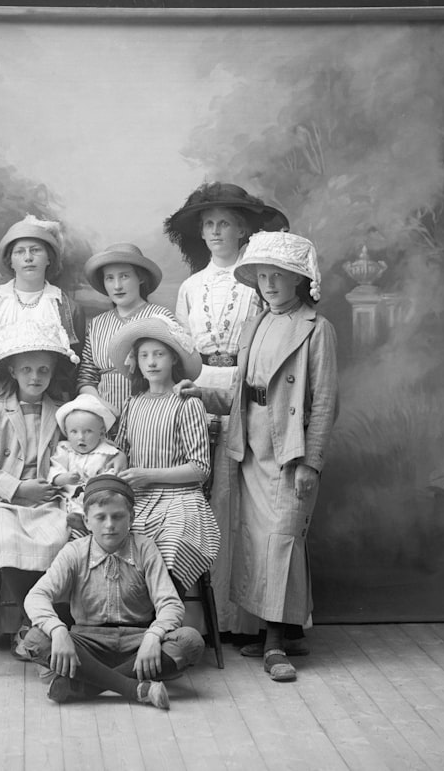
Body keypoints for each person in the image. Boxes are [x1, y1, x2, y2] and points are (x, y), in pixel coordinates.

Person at [176, 231, 338, 682]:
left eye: (279, 276)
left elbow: (325, 402)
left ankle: (275, 644)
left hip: (290, 447)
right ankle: (286, 632)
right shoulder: (257, 324)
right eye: (263, 276)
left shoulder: (316, 328)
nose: (269, 284)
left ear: (298, 279)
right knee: (255, 539)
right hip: (251, 445)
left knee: (282, 538)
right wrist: (203, 394)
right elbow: (242, 393)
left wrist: (311, 462)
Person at [164, 181, 289, 641]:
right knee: (206, 497)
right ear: (200, 232)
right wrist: (191, 391)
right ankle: (204, 619)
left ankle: (248, 617)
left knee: (245, 499)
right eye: (209, 224)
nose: (216, 231)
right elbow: (183, 348)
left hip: (248, 385)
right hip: (200, 387)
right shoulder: (191, 287)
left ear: (242, 230)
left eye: (225, 223)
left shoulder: (258, 281)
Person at [21, 474, 205, 709]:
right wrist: (57, 630)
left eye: (118, 516)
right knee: (35, 639)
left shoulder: (144, 548)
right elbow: (37, 596)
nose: (109, 525)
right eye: (101, 517)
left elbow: (170, 602)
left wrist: (154, 635)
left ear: (131, 518)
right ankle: (133, 687)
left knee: (190, 641)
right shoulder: (74, 552)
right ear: (87, 521)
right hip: (86, 644)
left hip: (137, 643)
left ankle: (84, 684)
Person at [0, 319, 81, 637]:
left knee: (63, 534)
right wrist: (19, 488)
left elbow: (69, 458)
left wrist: (56, 484)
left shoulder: (61, 413)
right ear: (12, 371)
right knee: (4, 536)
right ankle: (35, 620)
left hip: (47, 498)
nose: (35, 377)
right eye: (27, 370)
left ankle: (47, 621)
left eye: (43, 370)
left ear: (52, 372)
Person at [107, 317, 220, 597]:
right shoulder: (133, 404)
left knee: (171, 548)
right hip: (139, 499)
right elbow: (123, 450)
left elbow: (200, 469)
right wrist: (119, 459)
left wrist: (148, 475)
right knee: (112, 540)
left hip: (181, 500)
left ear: (173, 359)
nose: (152, 362)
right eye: (144, 356)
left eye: (159, 354)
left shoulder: (187, 403)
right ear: (136, 362)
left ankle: (163, 613)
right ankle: (132, 614)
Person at [0, 214, 85, 406]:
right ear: (10, 261)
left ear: (49, 259)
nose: (28, 258)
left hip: (50, 413)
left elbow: (73, 375)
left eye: (36, 250)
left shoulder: (69, 310)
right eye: (19, 252)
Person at [77, 243, 176, 415]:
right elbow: (86, 377)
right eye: (109, 278)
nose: (117, 286)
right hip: (105, 417)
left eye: (124, 276)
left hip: (152, 413)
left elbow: (176, 370)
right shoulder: (97, 324)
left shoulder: (160, 317)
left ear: (140, 278)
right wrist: (104, 408)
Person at [48, 393, 128, 538]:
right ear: (66, 433)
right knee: (68, 505)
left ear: (101, 433)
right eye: (74, 432)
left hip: (97, 495)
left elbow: (112, 474)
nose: (81, 437)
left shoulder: (107, 453)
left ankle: (93, 521)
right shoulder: (64, 450)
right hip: (70, 496)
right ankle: (79, 519)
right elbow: (54, 468)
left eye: (88, 431)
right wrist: (64, 478)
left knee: (103, 502)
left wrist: (100, 481)